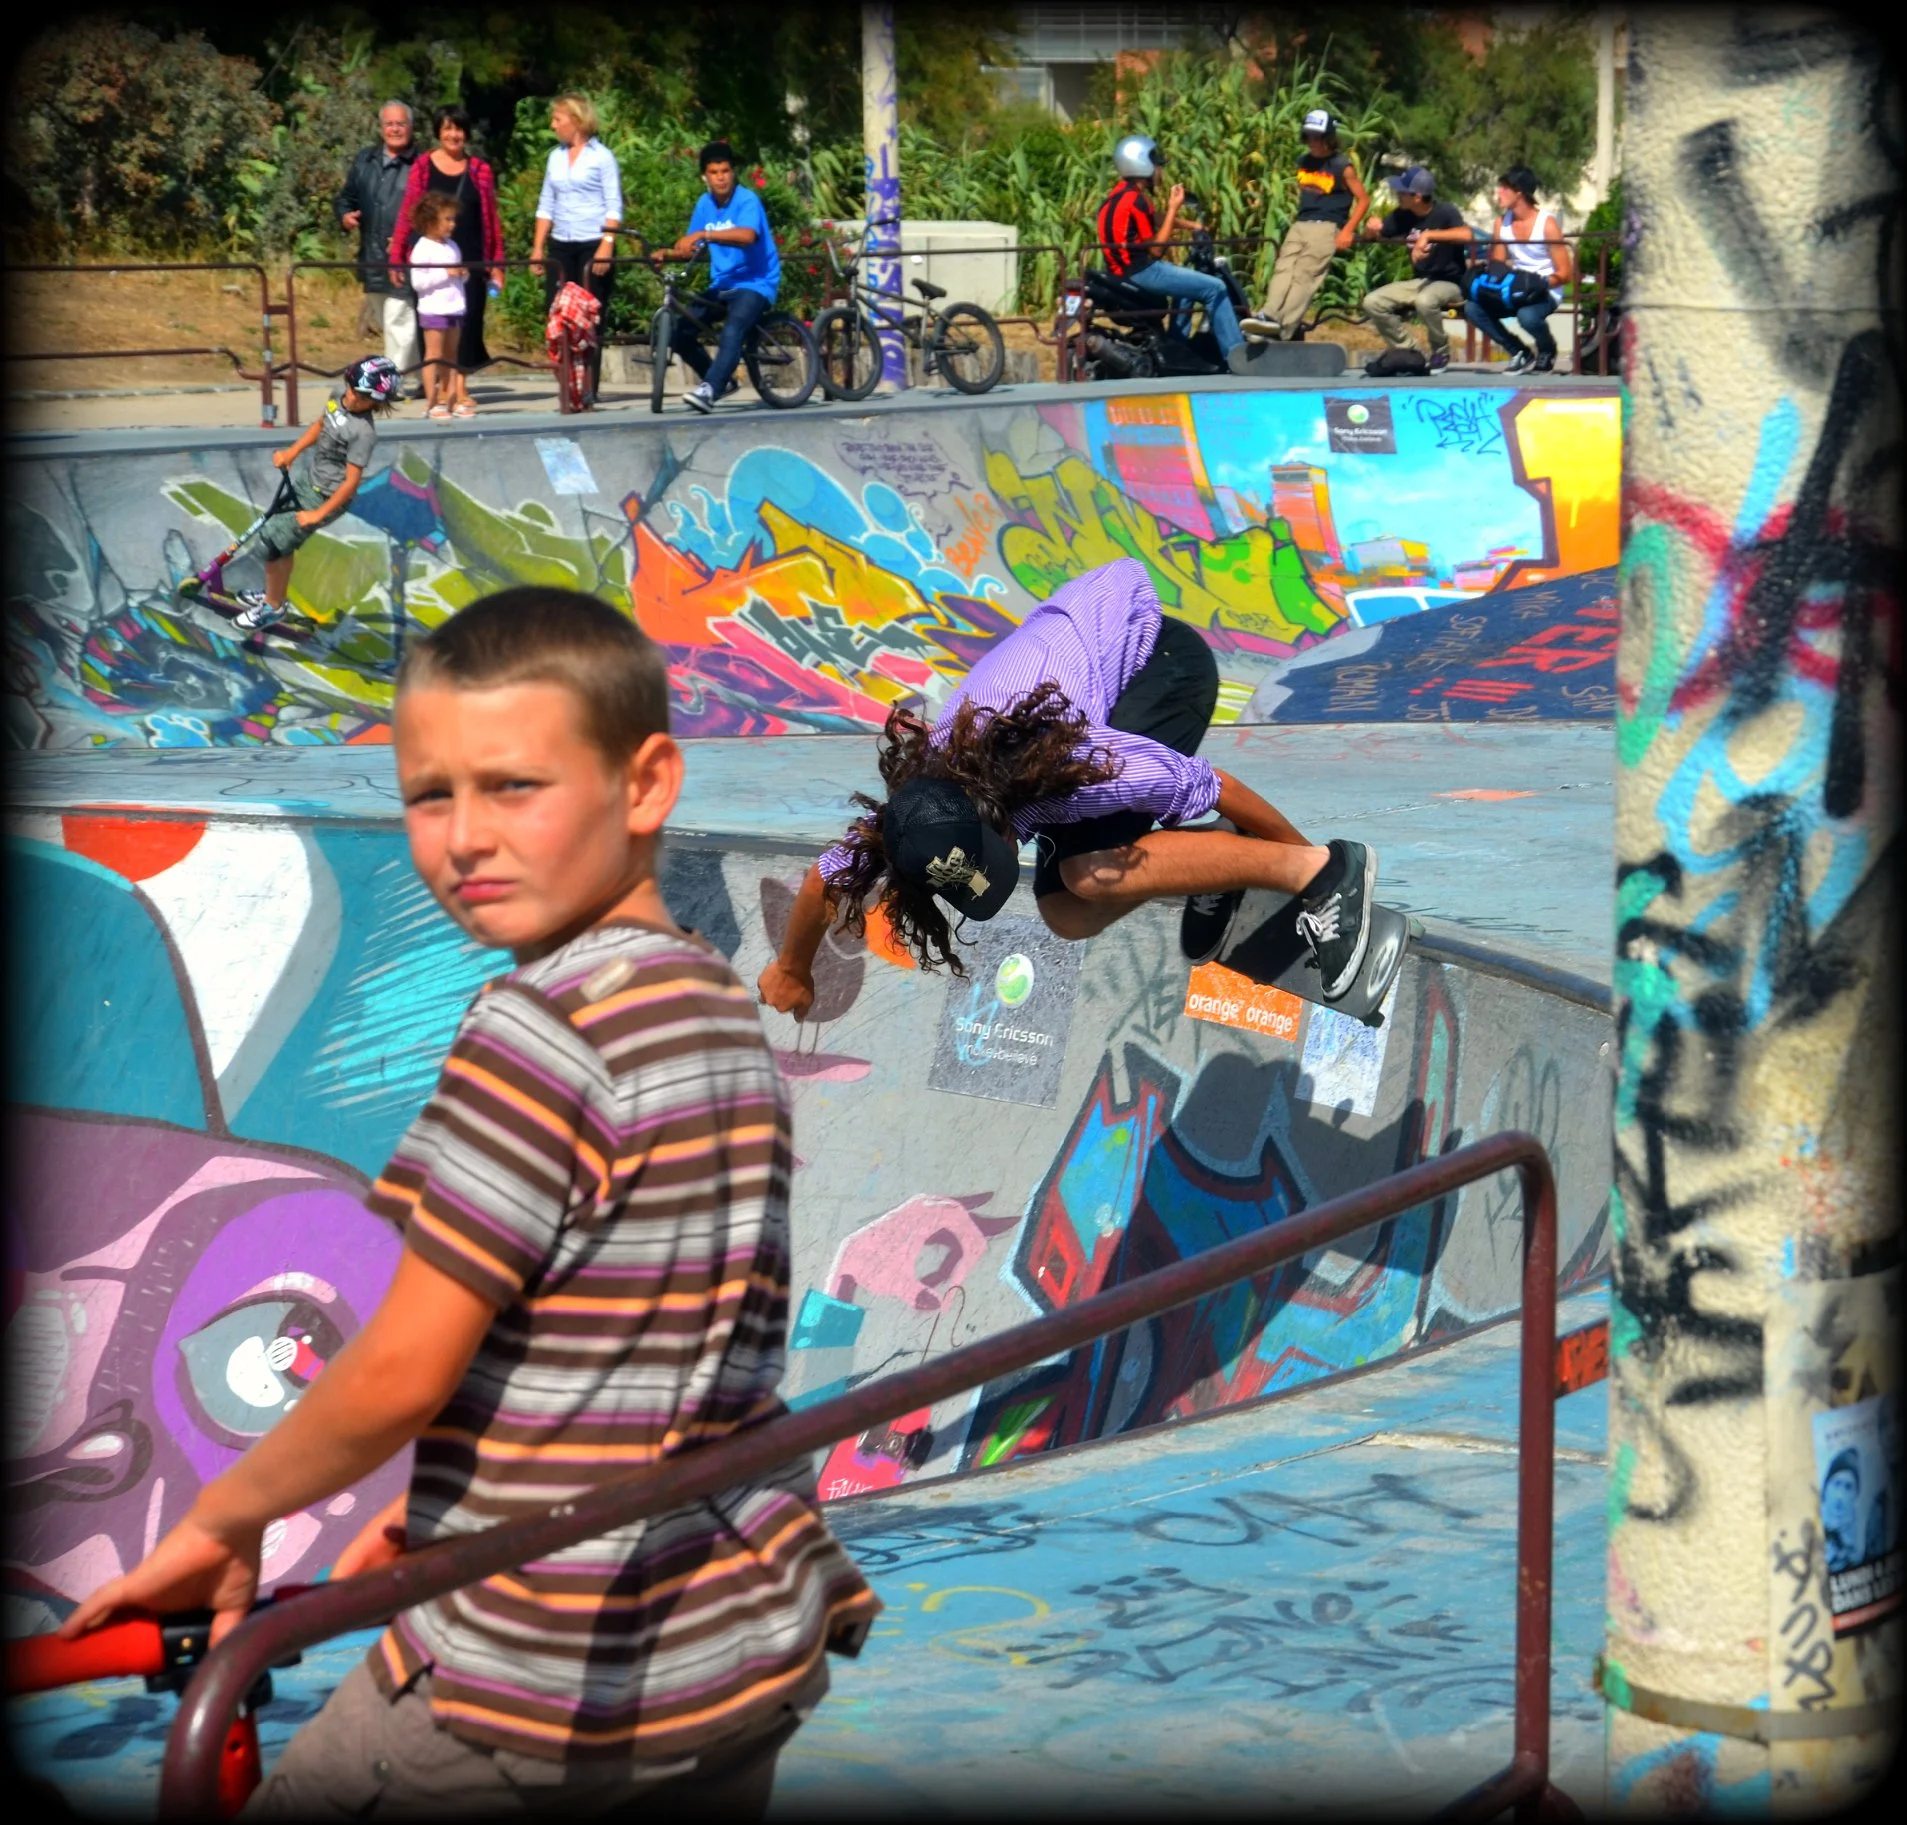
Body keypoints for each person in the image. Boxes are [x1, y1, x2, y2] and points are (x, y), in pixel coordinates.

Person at [58, 588, 882, 1818]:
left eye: (512, 788)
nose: (463, 837)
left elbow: (404, 1365)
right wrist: (441, 1510)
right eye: (428, 794)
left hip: (537, 1672)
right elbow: (642, 1329)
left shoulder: (535, 1033)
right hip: (732, 1634)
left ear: (645, 784)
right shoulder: (712, 1011)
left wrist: (224, 1520)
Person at [756, 558, 1378, 1021]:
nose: (1013, 853)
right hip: (1071, 697)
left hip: (1160, 661)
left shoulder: (1073, 767)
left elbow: (1214, 783)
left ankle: (1315, 867)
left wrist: (1315, 879)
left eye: (1002, 849)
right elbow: (826, 879)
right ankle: (1219, 859)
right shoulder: (911, 814)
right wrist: (791, 968)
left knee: (1084, 872)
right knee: (1066, 912)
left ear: (996, 817)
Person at [226, 356, 399, 631]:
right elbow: (321, 424)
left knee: (271, 545)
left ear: (377, 401)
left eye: (362, 396)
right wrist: (292, 452)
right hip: (308, 482)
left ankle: (273, 607)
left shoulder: (363, 433)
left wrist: (318, 514)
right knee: (282, 541)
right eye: (352, 388)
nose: (352, 397)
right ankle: (275, 593)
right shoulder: (339, 396)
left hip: (325, 497)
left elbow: (351, 484)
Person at [391, 104, 504, 418]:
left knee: (466, 324)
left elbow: (491, 218)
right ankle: (439, 391)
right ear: (438, 132)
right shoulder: (423, 166)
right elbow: (408, 211)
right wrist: (397, 255)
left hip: (468, 257)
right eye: (447, 129)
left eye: (459, 129)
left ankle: (459, 386)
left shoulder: (480, 169)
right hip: (429, 256)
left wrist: (496, 262)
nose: (454, 135)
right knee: (434, 327)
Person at [654, 139, 781, 415]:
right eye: (714, 172)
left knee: (733, 329)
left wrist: (704, 234)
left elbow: (747, 235)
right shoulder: (704, 204)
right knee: (680, 331)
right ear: (705, 177)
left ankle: (710, 388)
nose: (720, 178)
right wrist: (667, 253)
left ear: (733, 173)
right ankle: (720, 382)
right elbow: (694, 247)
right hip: (722, 284)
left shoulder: (747, 200)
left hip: (755, 282)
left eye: (725, 171)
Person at [1094, 135, 1245, 363]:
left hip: (1120, 273)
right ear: (1142, 166)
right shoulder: (1138, 200)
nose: (1160, 173)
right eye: (1157, 167)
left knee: (1186, 291)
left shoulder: (1116, 198)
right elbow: (1156, 251)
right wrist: (1175, 206)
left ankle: (1176, 350)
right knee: (1216, 288)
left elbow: (1155, 218)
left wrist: (1192, 226)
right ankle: (1237, 355)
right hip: (1143, 271)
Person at [530, 94, 624, 406]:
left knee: (589, 317)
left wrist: (606, 246)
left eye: (558, 119)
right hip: (561, 243)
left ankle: (588, 388)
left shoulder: (602, 157)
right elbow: (546, 204)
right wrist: (537, 247)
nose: (553, 125)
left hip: (592, 243)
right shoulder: (555, 157)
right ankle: (566, 385)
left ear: (576, 120)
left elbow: (613, 205)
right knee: (557, 313)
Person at [1243, 109, 1369, 341]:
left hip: (1326, 227)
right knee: (1284, 268)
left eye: (1317, 137)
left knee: (1305, 276)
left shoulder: (1342, 166)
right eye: (1308, 136)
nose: (1312, 142)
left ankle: (1283, 328)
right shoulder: (1304, 161)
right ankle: (1268, 316)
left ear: (1329, 138)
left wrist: (1348, 230)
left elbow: (1363, 200)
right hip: (1301, 224)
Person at [336, 102, 422, 400]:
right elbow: (346, 198)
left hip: (407, 257)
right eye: (389, 124)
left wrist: (407, 238)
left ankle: (391, 384)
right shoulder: (365, 160)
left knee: (401, 316)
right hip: (371, 254)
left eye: (401, 124)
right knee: (390, 320)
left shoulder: (421, 163)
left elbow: (433, 209)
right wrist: (345, 216)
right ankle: (422, 374)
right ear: (381, 127)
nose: (395, 129)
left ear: (410, 128)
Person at [1357, 166, 1473, 371]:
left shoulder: (1445, 211)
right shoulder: (1403, 215)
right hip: (1421, 281)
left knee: (1425, 300)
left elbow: (1466, 235)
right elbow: (1374, 235)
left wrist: (1428, 235)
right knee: (1372, 301)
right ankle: (1409, 351)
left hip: (1451, 282)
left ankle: (1441, 352)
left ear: (1417, 196)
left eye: (1402, 192)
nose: (1398, 195)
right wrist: (1370, 228)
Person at [1465, 164, 1573, 374]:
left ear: (1519, 193)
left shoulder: (1547, 225)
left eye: (1504, 188)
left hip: (1545, 291)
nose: (1499, 193)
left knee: (1527, 316)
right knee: (1472, 308)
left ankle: (1547, 349)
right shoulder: (1500, 223)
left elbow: (1565, 274)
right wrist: (1485, 279)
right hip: (1514, 289)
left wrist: (1537, 284)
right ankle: (1519, 352)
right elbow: (1498, 264)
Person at [403, 192, 468, 418]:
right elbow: (419, 282)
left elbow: (456, 277)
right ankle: (432, 401)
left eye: (453, 219)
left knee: (451, 354)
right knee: (434, 354)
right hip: (434, 308)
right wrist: (445, 273)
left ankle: (450, 398)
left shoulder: (453, 246)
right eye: (447, 219)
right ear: (430, 222)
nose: (453, 224)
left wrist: (461, 274)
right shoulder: (423, 248)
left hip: (454, 307)